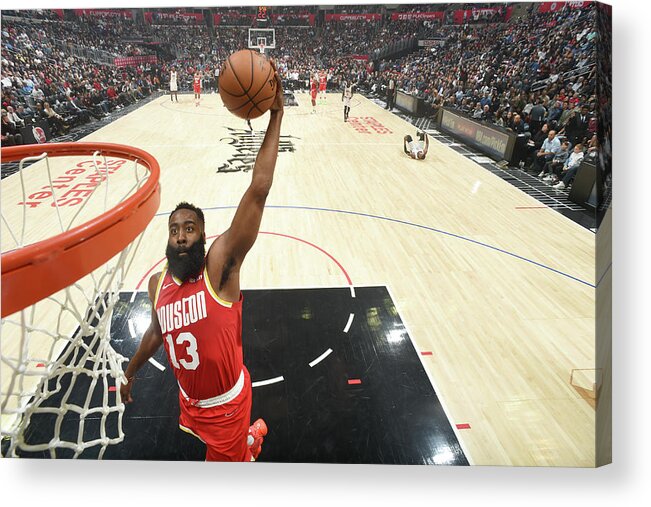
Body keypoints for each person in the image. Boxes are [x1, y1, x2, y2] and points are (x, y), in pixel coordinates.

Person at [120, 61, 285, 462]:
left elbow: (259, 188)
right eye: (174, 228)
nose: (180, 234)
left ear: (203, 237)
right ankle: (247, 441)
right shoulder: (159, 284)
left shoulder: (219, 268)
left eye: (190, 228)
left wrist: (277, 113)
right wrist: (131, 370)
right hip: (190, 403)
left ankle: (248, 444)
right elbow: (157, 334)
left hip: (228, 407)